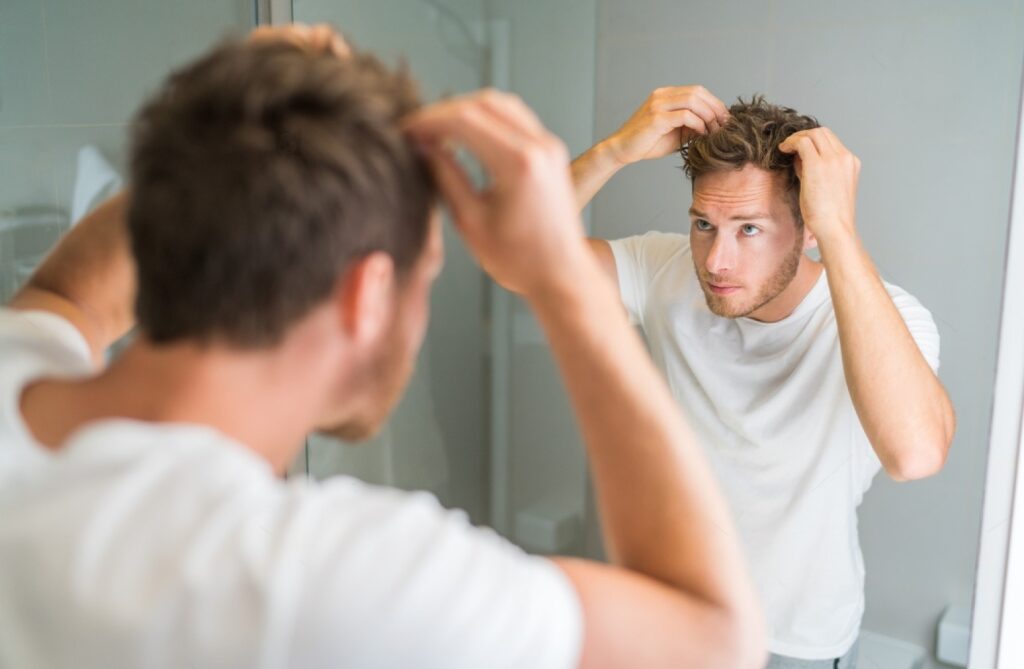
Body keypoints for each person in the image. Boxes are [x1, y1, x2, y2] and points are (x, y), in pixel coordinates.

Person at [0, 26, 766, 668]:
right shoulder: (324, 580)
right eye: (424, 275)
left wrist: (232, 133)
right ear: (367, 295)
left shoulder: (15, 369)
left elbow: (65, 295)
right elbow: (715, 635)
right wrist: (560, 274)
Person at [571, 87, 956, 668]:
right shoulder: (664, 269)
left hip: (794, 640)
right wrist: (611, 152)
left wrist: (840, 231)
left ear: (808, 230)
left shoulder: (887, 316)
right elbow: (512, 258)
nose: (716, 261)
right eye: (704, 223)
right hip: (675, 615)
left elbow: (917, 454)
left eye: (748, 229)